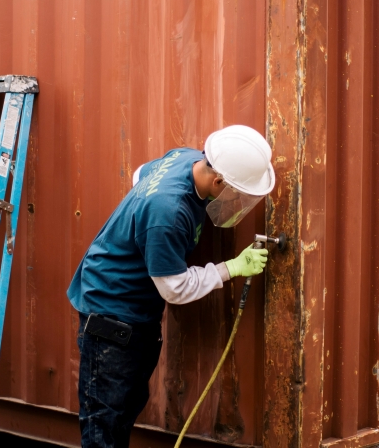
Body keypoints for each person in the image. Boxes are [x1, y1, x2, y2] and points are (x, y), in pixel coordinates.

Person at [67, 125, 276, 448]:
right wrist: (230, 268)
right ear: (218, 180)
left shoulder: (187, 158)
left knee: (123, 411)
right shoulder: (167, 212)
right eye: (236, 191)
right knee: (104, 427)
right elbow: (174, 288)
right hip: (111, 314)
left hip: (134, 313)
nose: (236, 199)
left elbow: (140, 176)